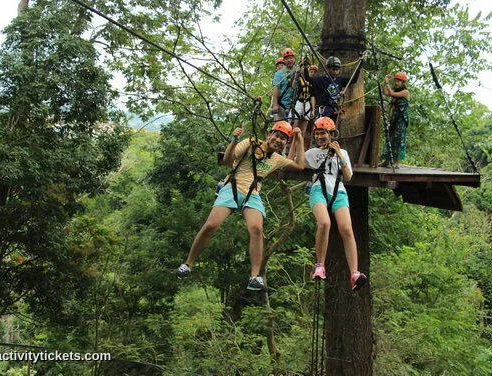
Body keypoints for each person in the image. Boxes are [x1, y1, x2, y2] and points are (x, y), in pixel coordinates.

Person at [174, 121, 306, 291]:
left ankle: (254, 276)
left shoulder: (277, 159)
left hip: (253, 194)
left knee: (257, 229)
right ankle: (188, 263)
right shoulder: (250, 142)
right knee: (211, 225)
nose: (279, 140)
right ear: (269, 135)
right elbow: (229, 160)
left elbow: (300, 165)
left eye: (283, 139)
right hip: (232, 187)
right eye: (277, 136)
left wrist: (300, 139)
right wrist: (234, 139)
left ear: (285, 144)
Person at [305, 117, 367, 290]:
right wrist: (297, 140)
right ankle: (320, 265)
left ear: (331, 134)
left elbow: (348, 176)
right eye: (317, 134)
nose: (320, 137)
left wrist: (339, 153)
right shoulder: (311, 154)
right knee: (324, 223)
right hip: (319, 189)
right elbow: (296, 163)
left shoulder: (343, 153)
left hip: (338, 190)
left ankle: (354, 273)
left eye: (323, 133)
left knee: (346, 229)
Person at [310, 56, 358, 124]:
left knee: (336, 123)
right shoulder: (320, 80)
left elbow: (353, 80)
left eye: (337, 69)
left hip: (335, 108)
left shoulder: (340, 80)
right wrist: (305, 68)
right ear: (328, 69)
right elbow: (308, 79)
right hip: (325, 108)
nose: (335, 72)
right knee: (324, 125)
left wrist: (359, 65)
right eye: (333, 69)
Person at [380, 72, 410, 168]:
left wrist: (387, 83)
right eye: (396, 80)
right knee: (390, 137)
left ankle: (396, 162)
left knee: (399, 139)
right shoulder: (396, 91)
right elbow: (385, 93)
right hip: (394, 118)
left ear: (403, 83)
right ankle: (387, 161)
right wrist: (386, 82)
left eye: (399, 81)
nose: (396, 83)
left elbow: (391, 93)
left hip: (401, 119)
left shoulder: (405, 92)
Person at [292, 58, 316, 150]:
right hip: (299, 102)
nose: (305, 68)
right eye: (303, 66)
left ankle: (300, 148)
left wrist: (313, 109)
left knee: (304, 127)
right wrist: (296, 75)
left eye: (307, 66)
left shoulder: (311, 80)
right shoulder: (298, 77)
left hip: (307, 104)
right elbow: (293, 86)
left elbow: (313, 95)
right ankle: (291, 146)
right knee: (296, 123)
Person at [271, 48, 297, 122]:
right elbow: (276, 88)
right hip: (282, 104)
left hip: (295, 105)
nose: (289, 60)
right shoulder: (279, 73)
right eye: (287, 59)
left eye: (291, 58)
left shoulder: (298, 71)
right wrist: (275, 105)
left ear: (294, 59)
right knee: (280, 128)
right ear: (284, 61)